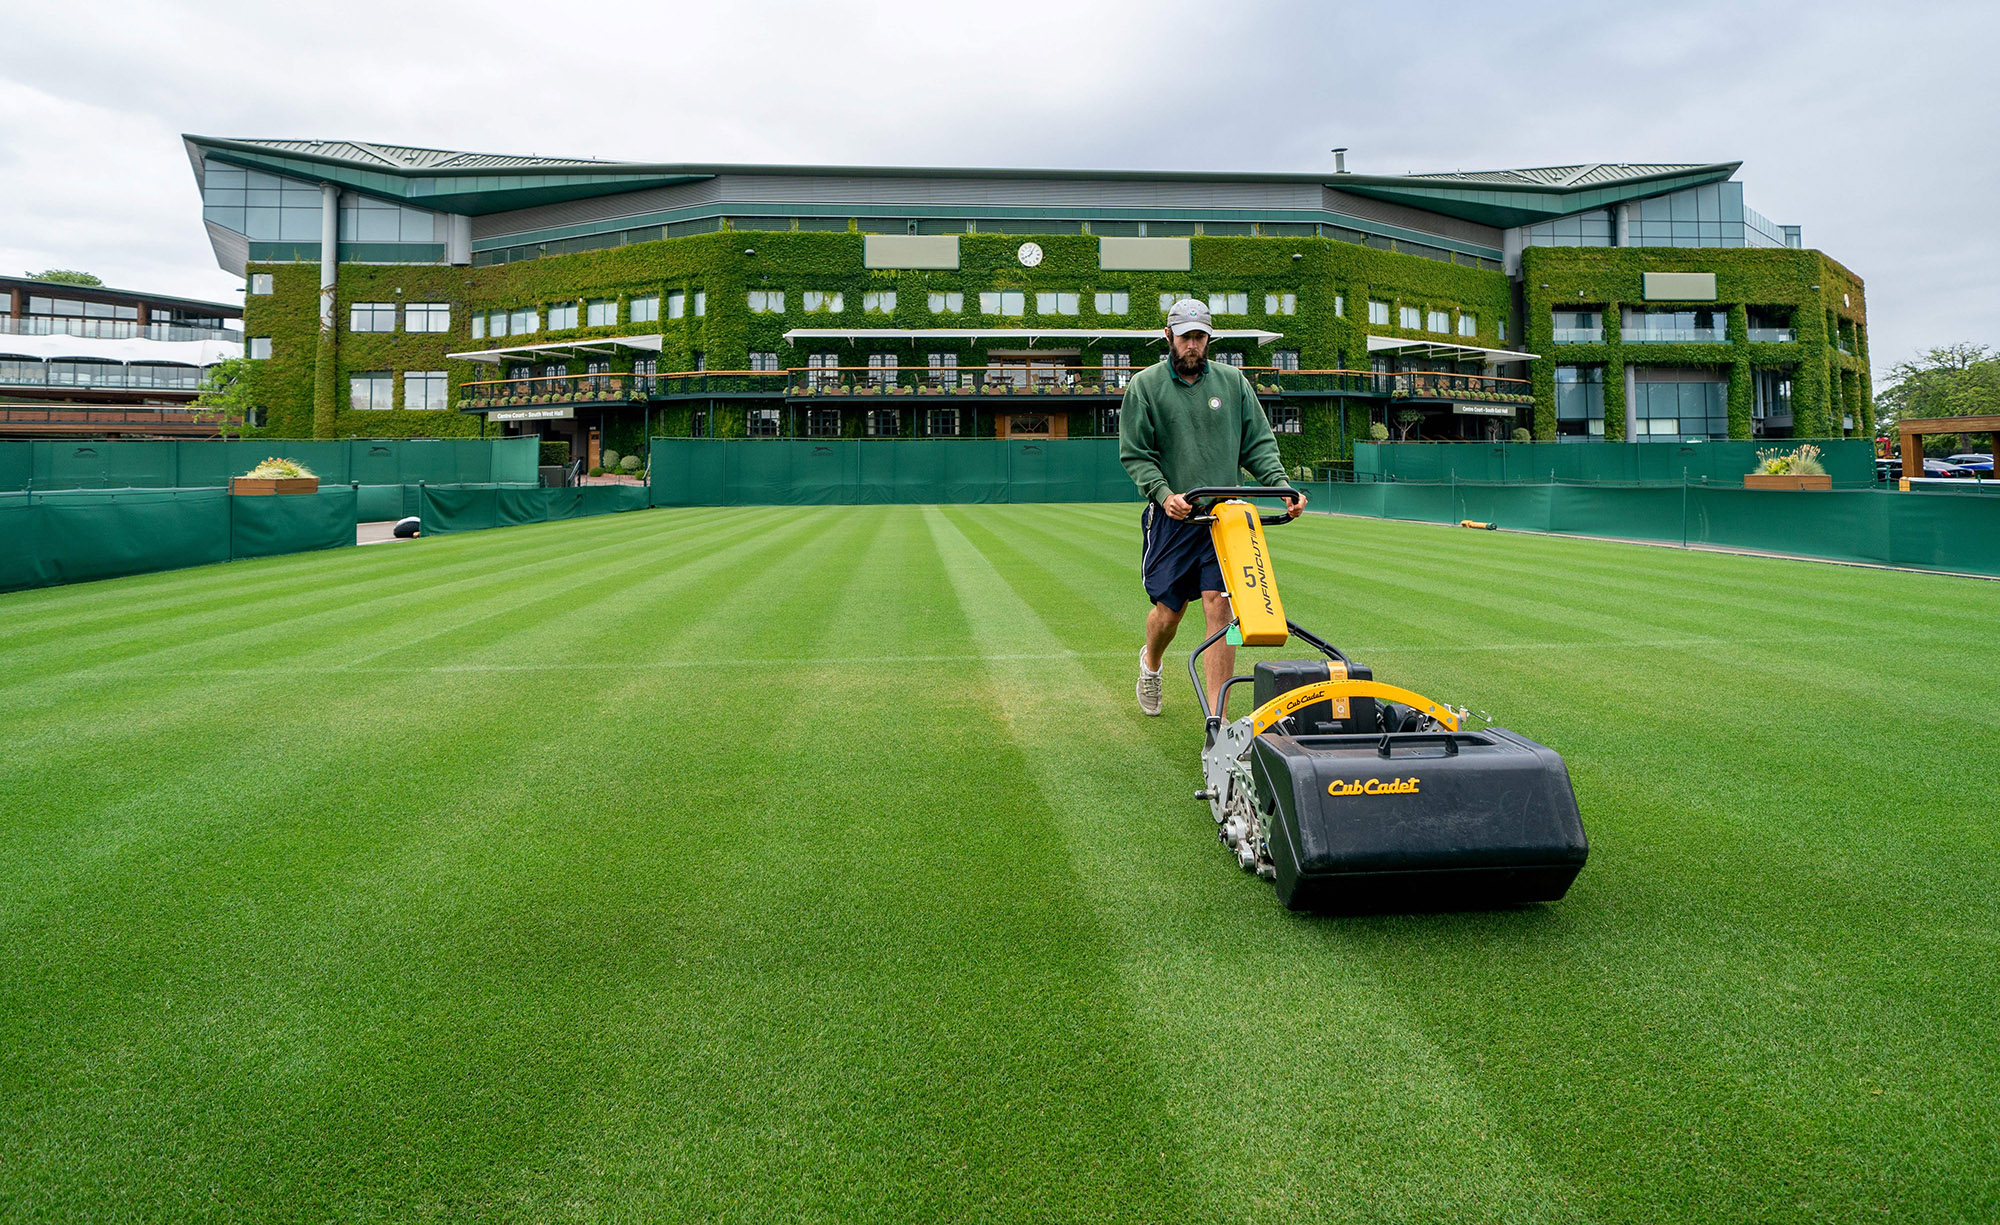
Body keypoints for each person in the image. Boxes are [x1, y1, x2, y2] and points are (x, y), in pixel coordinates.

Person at [1118, 298, 1305, 717]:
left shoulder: (1233, 382)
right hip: (1174, 516)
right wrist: (1164, 495)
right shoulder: (1145, 386)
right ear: (1169, 336)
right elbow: (1136, 454)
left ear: (1209, 339)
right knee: (1168, 613)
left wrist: (1281, 486)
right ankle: (1150, 665)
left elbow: (1258, 443)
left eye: (1200, 337)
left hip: (1228, 519)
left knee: (1220, 609)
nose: (1192, 345)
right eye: (1185, 337)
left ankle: (1217, 721)